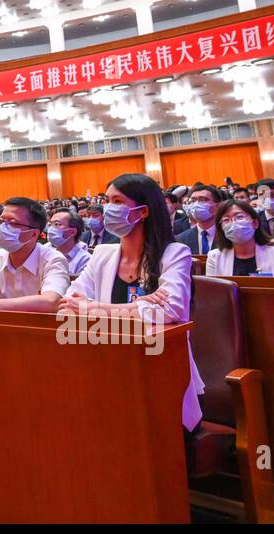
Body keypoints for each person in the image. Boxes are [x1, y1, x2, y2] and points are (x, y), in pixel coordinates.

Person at [61, 173, 203, 431]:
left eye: (117, 201)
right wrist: (143, 303)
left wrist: (97, 308)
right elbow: (70, 303)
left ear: (144, 211)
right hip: (106, 363)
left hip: (160, 367)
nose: (108, 208)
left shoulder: (174, 253)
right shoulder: (102, 254)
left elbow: (169, 310)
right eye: (107, 200)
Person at [206, 199, 274, 282]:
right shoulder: (214, 257)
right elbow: (215, 293)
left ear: (255, 223)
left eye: (239, 217)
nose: (234, 223)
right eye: (226, 220)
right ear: (221, 228)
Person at [175, 184, 222, 255]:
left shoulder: (229, 236)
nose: (196, 205)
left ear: (218, 206)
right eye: (193, 201)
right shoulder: (180, 240)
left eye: (203, 200)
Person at [44, 208, 91, 276]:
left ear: (73, 232)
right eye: (50, 224)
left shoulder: (85, 260)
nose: (51, 229)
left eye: (57, 224)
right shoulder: (45, 250)